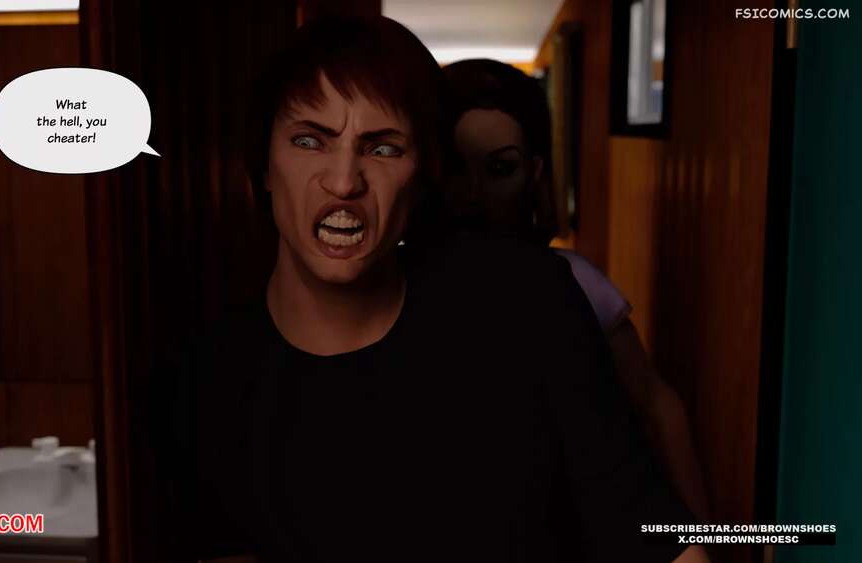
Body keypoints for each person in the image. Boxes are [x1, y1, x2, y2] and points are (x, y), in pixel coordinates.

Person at [191, 16, 709, 563]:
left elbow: (653, 521)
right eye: (309, 141)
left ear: (421, 177)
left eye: (383, 149)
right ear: (263, 165)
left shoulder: (529, 297)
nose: (343, 182)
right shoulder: (214, 379)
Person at [440, 58, 710, 520]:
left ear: (534, 173)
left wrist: (705, 538)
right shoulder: (399, 283)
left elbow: (657, 407)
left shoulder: (571, 281)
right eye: (455, 168)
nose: (473, 193)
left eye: (500, 168)